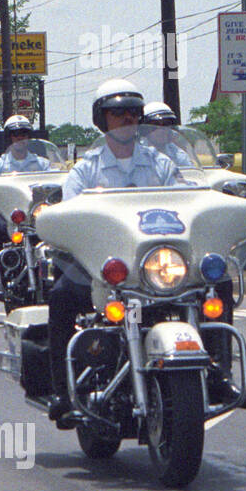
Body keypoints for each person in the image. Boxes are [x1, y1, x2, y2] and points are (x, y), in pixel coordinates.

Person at [46, 80, 182, 423]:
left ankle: (219, 372)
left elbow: (186, 203)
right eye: (116, 112)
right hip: (100, 268)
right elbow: (66, 215)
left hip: (155, 267)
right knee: (61, 296)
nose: (126, 119)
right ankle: (63, 389)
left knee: (218, 284)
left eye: (133, 113)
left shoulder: (161, 166)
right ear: (101, 119)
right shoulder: (86, 170)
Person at [0, 115, 56, 287]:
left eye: (23, 134)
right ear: (9, 137)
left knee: (59, 234)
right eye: (15, 134)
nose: (20, 138)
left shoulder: (42, 163)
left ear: (29, 137)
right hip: (9, 216)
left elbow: (54, 183)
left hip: (35, 216)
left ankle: (56, 273)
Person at [142, 101, 196, 168]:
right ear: (145, 129)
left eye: (166, 124)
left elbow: (191, 175)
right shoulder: (136, 152)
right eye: (155, 125)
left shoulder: (178, 155)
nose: (161, 129)